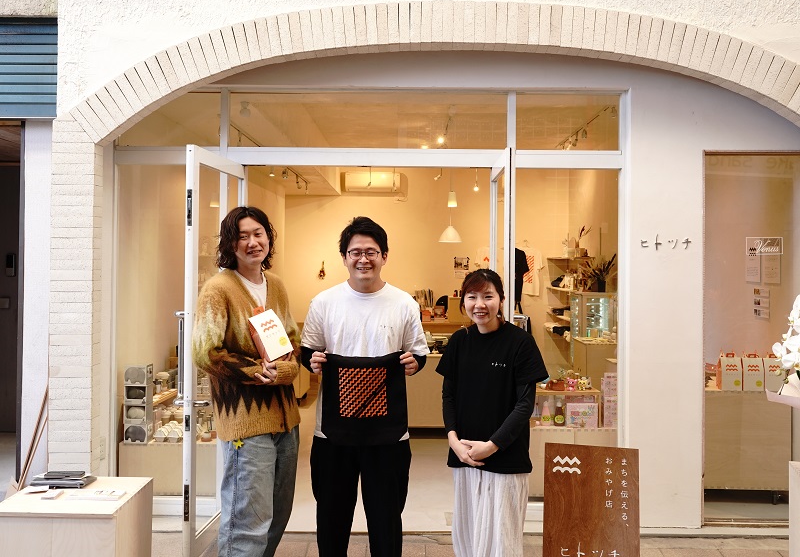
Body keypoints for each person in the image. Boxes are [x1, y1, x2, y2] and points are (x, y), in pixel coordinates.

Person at [301, 216, 429, 557]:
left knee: (386, 518)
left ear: (384, 256)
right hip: (332, 433)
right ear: (344, 257)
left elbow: (418, 353)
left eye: (371, 252)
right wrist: (312, 361)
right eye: (355, 252)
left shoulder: (404, 303)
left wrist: (414, 363)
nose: (363, 259)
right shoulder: (324, 302)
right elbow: (308, 350)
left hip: (388, 434)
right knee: (332, 517)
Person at [192, 206, 300, 557]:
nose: (253, 242)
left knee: (277, 516)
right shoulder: (218, 289)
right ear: (230, 243)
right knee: (247, 522)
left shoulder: (276, 285)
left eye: (258, 234)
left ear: (269, 237)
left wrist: (286, 370)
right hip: (246, 420)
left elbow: (292, 341)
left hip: (286, 419)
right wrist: (256, 372)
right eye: (242, 236)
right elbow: (206, 353)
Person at [436, 268, 549, 557]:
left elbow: (524, 404)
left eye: (488, 296)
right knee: (468, 536)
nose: (479, 304)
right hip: (464, 456)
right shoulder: (459, 342)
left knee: (502, 541)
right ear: (463, 301)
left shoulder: (520, 342)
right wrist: (453, 440)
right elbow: (448, 396)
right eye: (472, 297)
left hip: (505, 458)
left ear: (501, 299)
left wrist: (492, 445)